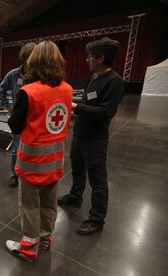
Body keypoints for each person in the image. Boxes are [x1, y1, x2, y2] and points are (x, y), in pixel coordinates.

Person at [5, 41, 73, 262]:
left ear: (33, 62)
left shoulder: (28, 92)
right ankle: (45, 238)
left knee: (30, 205)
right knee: (49, 202)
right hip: (55, 160)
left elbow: (14, 125)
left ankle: (28, 248)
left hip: (32, 162)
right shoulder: (67, 89)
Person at [58, 37, 124, 235]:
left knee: (98, 180)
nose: (87, 60)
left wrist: (77, 106)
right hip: (80, 134)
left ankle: (96, 218)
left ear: (100, 58)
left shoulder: (115, 82)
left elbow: (105, 113)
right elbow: (90, 105)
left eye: (90, 57)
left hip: (95, 139)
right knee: (77, 170)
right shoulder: (94, 78)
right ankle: (75, 197)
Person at [0, 42, 36, 188]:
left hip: (35, 118)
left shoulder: (39, 75)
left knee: (33, 148)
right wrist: (8, 106)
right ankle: (14, 175)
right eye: (27, 59)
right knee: (16, 148)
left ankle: (30, 173)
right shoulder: (13, 75)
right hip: (19, 119)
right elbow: (1, 90)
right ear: (23, 58)